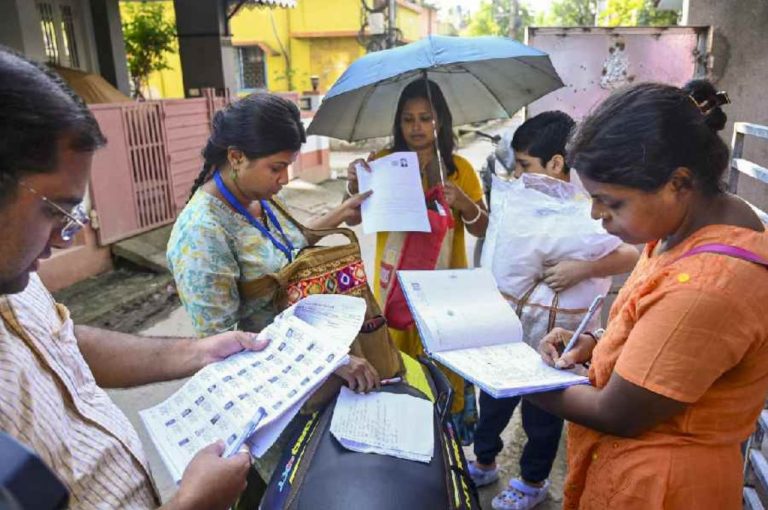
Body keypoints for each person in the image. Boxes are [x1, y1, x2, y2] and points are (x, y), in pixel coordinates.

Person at [0, 47, 267, 509]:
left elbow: (60, 342)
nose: (66, 239)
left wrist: (197, 351)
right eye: (53, 211)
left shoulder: (15, 278)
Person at [528, 80, 768, 509]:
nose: (596, 215)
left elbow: (619, 412)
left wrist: (517, 384)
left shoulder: (707, 286)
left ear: (678, 182)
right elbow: (662, 337)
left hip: (663, 488)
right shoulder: (681, 229)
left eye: (611, 203)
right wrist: (596, 346)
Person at [166, 92, 381, 482]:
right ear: (235, 157)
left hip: (313, 377)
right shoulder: (202, 234)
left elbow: (283, 253)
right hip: (274, 403)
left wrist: (337, 214)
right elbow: (224, 348)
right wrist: (327, 364)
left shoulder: (256, 199)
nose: (284, 179)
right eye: (276, 168)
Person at [469, 112, 640, 510]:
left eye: (527, 165)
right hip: (509, 328)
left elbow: (632, 253)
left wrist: (584, 267)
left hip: (558, 334)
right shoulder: (516, 202)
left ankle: (532, 481)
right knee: (492, 400)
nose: (521, 175)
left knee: (543, 413)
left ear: (556, 163)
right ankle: (484, 460)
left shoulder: (588, 211)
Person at [345, 78, 489, 443]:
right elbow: (354, 218)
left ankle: (445, 451)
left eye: (425, 118)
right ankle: (401, 445)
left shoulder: (459, 169)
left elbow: (483, 227)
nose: (417, 128)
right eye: (408, 119)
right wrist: (353, 185)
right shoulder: (382, 164)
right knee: (395, 369)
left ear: (440, 120)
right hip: (392, 293)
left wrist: (465, 204)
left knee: (441, 367)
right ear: (399, 123)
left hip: (444, 294)